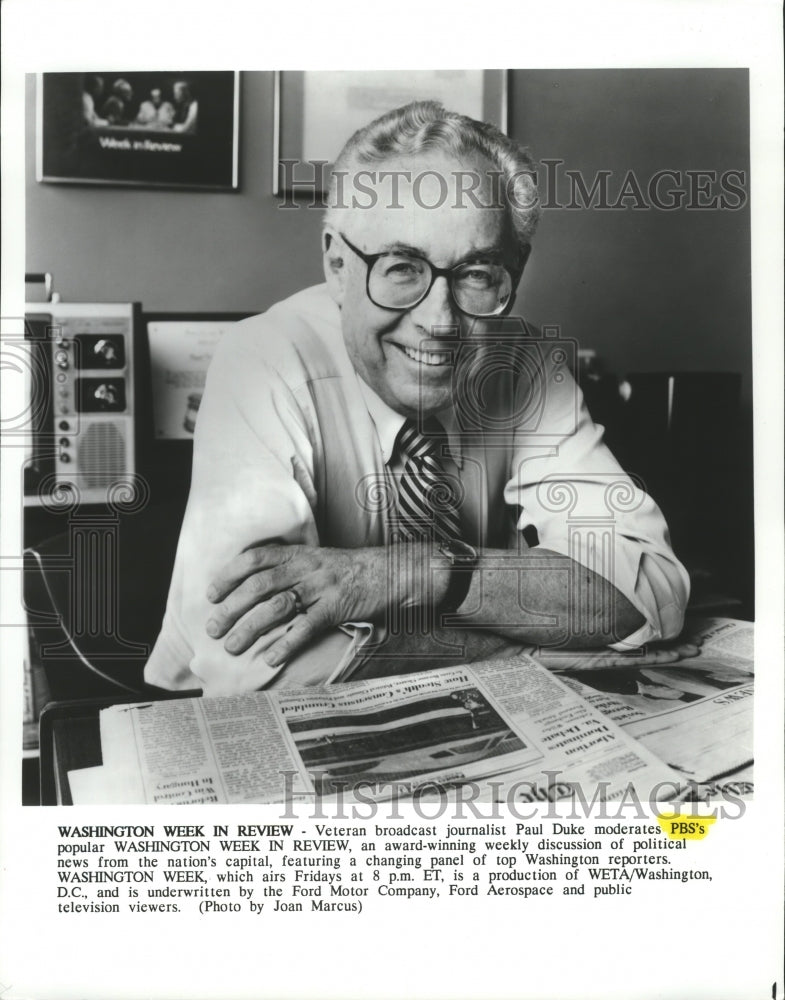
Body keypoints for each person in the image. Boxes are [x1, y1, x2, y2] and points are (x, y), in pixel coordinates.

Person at [145, 101, 689, 696]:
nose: (439, 321)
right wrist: (540, 643)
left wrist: (423, 573)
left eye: (477, 274)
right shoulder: (262, 360)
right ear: (336, 263)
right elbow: (257, 665)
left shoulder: (526, 362)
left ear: (515, 269)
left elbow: (648, 590)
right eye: (402, 267)